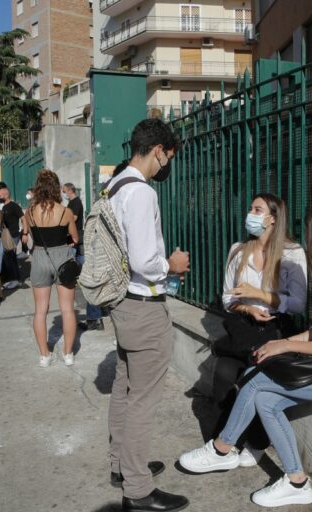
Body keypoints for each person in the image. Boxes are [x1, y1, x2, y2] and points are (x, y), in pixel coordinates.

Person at [178, 203, 312, 508]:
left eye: (311, 234)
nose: (307, 241)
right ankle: (297, 481)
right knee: (265, 399)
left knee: (255, 381)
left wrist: (284, 346)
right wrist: (280, 343)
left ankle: (223, 448)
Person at [105, 119, 190, 512]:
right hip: (144, 307)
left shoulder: (114, 184)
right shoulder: (140, 193)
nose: (164, 166)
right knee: (142, 399)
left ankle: (122, 465)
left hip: (122, 304)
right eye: (166, 157)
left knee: (124, 389)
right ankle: (137, 489)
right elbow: (143, 260)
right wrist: (171, 265)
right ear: (158, 149)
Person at [213, 193, 308, 466]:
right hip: (243, 327)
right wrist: (247, 308)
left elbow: (299, 304)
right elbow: (228, 299)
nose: (250, 213)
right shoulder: (237, 251)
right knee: (222, 376)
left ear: (273, 218)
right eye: (250, 207)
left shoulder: (292, 253)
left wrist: (261, 296)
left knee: (256, 378)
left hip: (276, 328)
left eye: (257, 209)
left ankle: (256, 441)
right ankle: (223, 441)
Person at [21, 169, 79, 367]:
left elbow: (26, 233)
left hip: (39, 257)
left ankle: (44, 355)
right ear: (56, 188)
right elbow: (75, 238)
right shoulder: (66, 211)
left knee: (40, 311)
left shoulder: (29, 212)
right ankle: (68, 354)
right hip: (62, 257)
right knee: (68, 309)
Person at [62, 182, 104, 331]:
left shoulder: (76, 203)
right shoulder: (74, 202)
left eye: (64, 191)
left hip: (78, 243)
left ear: (69, 191)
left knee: (88, 281)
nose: (63, 194)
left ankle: (95, 318)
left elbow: (71, 219)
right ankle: (94, 317)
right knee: (87, 281)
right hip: (79, 244)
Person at [0, 185, 23, 289]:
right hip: (7, 235)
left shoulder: (14, 206)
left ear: (5, 195)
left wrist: (24, 233)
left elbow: (23, 218)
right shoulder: (4, 207)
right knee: (9, 257)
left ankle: (15, 280)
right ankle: (13, 278)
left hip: (13, 235)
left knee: (10, 257)